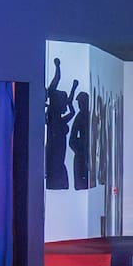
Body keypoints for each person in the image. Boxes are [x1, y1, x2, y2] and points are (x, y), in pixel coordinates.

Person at [44, 60, 72, 190]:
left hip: (57, 142)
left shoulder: (54, 114)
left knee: (57, 162)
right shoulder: (52, 112)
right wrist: (57, 66)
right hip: (55, 143)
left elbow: (57, 78)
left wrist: (57, 66)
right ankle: (56, 183)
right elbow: (57, 78)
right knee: (56, 163)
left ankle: (57, 183)